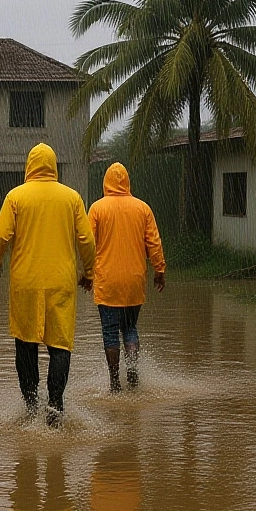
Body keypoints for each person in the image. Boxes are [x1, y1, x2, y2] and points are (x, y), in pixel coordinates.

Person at [0, 143, 95, 427]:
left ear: (29, 166)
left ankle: (31, 405)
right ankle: (55, 405)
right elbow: (86, 241)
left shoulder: (16, 196)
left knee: (26, 344)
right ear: (53, 166)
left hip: (26, 282)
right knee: (60, 345)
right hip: (61, 283)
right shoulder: (72, 198)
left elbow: (0, 236)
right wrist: (89, 272)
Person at [87, 162, 165, 391]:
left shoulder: (97, 208)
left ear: (106, 182)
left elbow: (88, 245)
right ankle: (132, 371)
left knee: (110, 332)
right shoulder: (143, 208)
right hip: (134, 280)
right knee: (130, 328)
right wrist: (159, 270)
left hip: (107, 281)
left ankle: (114, 382)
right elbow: (154, 242)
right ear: (127, 182)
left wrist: (86, 274)